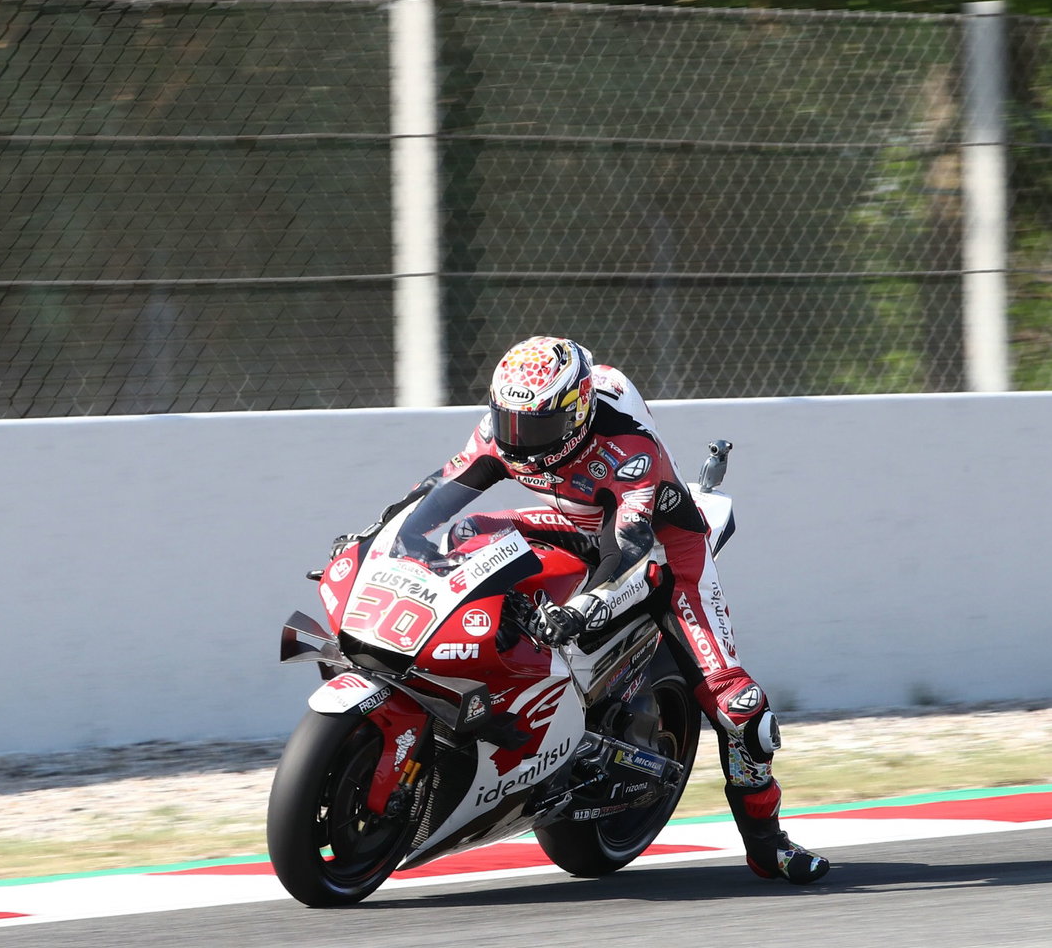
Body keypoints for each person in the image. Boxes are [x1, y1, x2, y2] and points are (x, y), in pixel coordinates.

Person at [340, 336, 829, 884]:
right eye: (509, 421)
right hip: (577, 522)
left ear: (577, 410)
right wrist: (376, 541)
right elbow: (438, 493)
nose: (519, 440)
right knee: (464, 534)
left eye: (537, 427)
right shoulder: (510, 427)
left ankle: (767, 846)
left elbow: (628, 548)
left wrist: (584, 607)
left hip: (665, 554)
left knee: (744, 712)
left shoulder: (629, 448)